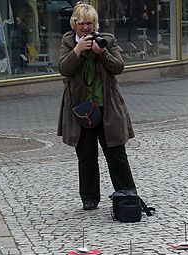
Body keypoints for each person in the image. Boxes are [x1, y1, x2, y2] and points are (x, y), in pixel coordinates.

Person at [58, 2, 137, 211]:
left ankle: (127, 193)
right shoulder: (68, 42)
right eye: (81, 23)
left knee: (116, 151)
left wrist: (102, 53)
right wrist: (77, 51)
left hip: (107, 106)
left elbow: (118, 67)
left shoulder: (107, 40)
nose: (85, 28)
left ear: (95, 24)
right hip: (81, 108)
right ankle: (89, 197)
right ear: (74, 24)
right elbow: (64, 69)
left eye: (89, 23)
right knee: (86, 155)